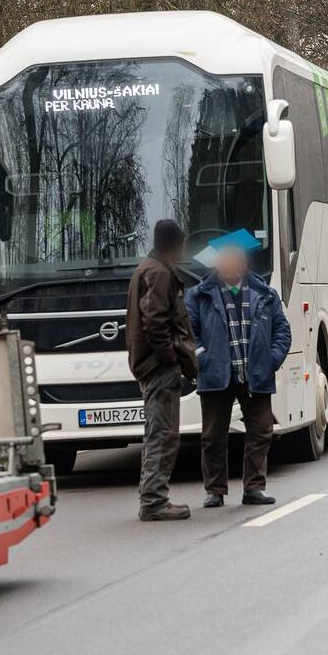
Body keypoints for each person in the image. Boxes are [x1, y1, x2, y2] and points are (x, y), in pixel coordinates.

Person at [185, 243, 290, 508]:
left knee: (261, 431)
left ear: (243, 265)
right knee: (213, 436)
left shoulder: (265, 293)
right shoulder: (199, 295)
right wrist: (202, 360)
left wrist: (271, 360)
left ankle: (254, 487)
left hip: (256, 374)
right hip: (216, 374)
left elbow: (282, 331)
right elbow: (187, 334)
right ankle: (215, 490)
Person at [127, 220, 198, 522]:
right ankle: (154, 501)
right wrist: (171, 358)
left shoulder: (149, 268)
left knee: (158, 432)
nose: (184, 250)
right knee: (163, 434)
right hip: (159, 368)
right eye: (182, 244)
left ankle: (152, 496)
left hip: (152, 365)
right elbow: (155, 322)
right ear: (175, 244)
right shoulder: (158, 272)